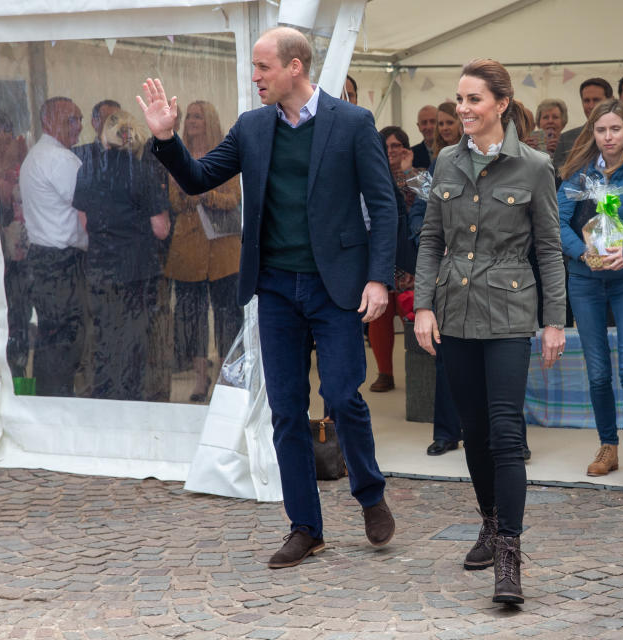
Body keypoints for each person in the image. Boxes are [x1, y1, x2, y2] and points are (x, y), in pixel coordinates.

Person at [138, 26, 398, 568]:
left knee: (344, 396)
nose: (254, 77)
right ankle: (306, 526)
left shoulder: (352, 123)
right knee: (284, 411)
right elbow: (199, 178)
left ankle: (370, 494)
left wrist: (378, 279)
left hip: (336, 287)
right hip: (276, 288)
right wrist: (166, 139)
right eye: (254, 68)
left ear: (295, 67)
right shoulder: (253, 128)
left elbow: (384, 202)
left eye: (263, 68)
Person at [413, 59, 566, 605]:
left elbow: (548, 247)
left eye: (473, 99)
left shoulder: (534, 166)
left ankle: (509, 554)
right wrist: (424, 308)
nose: (463, 109)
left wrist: (553, 320)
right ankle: (488, 519)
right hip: (454, 312)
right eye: (459, 99)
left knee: (505, 432)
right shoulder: (446, 161)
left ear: (501, 104)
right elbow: (431, 240)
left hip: (508, 313)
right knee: (472, 430)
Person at [557, 99, 623, 496]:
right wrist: (582, 252)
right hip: (584, 280)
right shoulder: (577, 176)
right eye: (601, 130)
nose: (608, 137)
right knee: (597, 371)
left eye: (615, 129)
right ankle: (608, 446)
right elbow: (556, 222)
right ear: (591, 133)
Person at [72, 109, 170, 401]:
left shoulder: (87, 171)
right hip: (137, 268)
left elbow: (84, 222)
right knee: (134, 337)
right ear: (135, 139)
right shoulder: (142, 172)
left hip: (100, 266)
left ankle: (104, 395)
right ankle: (129, 398)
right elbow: (161, 228)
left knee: (104, 334)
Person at [163, 101, 243, 402]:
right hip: (187, 252)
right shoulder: (178, 155)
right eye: (190, 117)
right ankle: (200, 378)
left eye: (198, 116)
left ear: (209, 120)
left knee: (227, 318)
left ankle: (225, 376)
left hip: (224, 252)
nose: (193, 121)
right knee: (192, 320)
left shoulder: (227, 154)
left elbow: (233, 198)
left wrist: (202, 192)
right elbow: (175, 201)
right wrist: (187, 195)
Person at [18, 97, 88, 397]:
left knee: (51, 340)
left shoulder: (38, 155)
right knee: (62, 342)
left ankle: (51, 404)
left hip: (45, 258)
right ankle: (58, 406)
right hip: (61, 262)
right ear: (49, 121)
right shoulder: (58, 159)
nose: (78, 127)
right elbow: (89, 208)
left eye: (80, 119)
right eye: (71, 119)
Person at [367, 125, 422, 393]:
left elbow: (424, 202)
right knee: (379, 317)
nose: (391, 151)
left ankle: (421, 375)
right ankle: (385, 373)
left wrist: (408, 171)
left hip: (410, 257)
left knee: (413, 315)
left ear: (406, 147)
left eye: (396, 145)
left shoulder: (418, 174)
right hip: (382, 257)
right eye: (386, 146)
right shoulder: (371, 173)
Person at [0, 109, 32, 380]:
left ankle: (16, 376)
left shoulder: (21, 165)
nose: (3, 136)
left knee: (18, 319)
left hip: (19, 258)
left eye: (7, 130)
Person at [553, 77, 613, 170]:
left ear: (611, 101)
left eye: (596, 100)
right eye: (586, 101)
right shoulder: (565, 139)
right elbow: (558, 178)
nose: (591, 106)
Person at [412, 105, 437, 169]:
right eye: (424, 123)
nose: (428, 127)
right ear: (418, 126)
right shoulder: (411, 155)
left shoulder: (451, 150)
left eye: (432, 121)